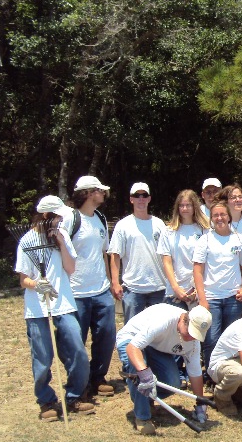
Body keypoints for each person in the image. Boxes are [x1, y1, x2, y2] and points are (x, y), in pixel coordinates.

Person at [16, 196, 94, 421]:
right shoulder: (27, 241)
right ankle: (47, 401)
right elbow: (23, 279)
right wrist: (36, 284)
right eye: (57, 217)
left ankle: (75, 396)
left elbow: (70, 268)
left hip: (64, 305)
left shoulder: (62, 237)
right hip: (37, 309)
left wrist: (61, 242)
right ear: (45, 217)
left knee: (77, 351)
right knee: (42, 357)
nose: (61, 220)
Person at [117, 303, 212, 435]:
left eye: (196, 335)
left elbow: (195, 372)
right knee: (139, 371)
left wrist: (200, 403)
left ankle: (146, 399)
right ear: (184, 320)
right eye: (190, 332)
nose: (192, 338)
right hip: (131, 340)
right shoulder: (164, 321)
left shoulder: (194, 343)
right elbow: (132, 348)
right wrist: (145, 374)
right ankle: (142, 417)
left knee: (173, 382)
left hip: (155, 346)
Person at [61, 175, 117, 398]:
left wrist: (109, 281)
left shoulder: (100, 218)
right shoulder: (70, 219)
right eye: (99, 190)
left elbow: (104, 253)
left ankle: (97, 378)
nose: (103, 193)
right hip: (75, 292)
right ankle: (78, 382)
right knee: (76, 342)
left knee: (106, 336)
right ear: (88, 193)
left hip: (101, 291)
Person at [193, 200, 242, 376]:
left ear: (229, 217)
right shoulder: (205, 240)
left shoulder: (239, 239)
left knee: (232, 338)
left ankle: (230, 373)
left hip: (234, 298)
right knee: (211, 339)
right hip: (211, 298)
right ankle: (212, 374)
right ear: (211, 218)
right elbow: (197, 270)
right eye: (215, 215)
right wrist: (202, 299)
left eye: (222, 214)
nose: (219, 218)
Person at [109, 182, 167, 322]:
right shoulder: (123, 225)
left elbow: (167, 255)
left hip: (159, 287)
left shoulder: (159, 224)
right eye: (137, 195)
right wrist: (115, 283)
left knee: (159, 332)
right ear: (131, 199)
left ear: (149, 199)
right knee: (132, 332)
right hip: (133, 288)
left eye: (144, 195)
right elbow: (115, 256)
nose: (141, 199)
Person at [158, 189, 209, 308]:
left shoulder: (205, 230)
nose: (185, 209)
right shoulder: (168, 231)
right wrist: (176, 288)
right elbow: (167, 262)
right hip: (175, 292)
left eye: (188, 205)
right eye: (182, 205)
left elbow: (207, 261)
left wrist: (198, 288)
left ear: (195, 206)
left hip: (199, 291)